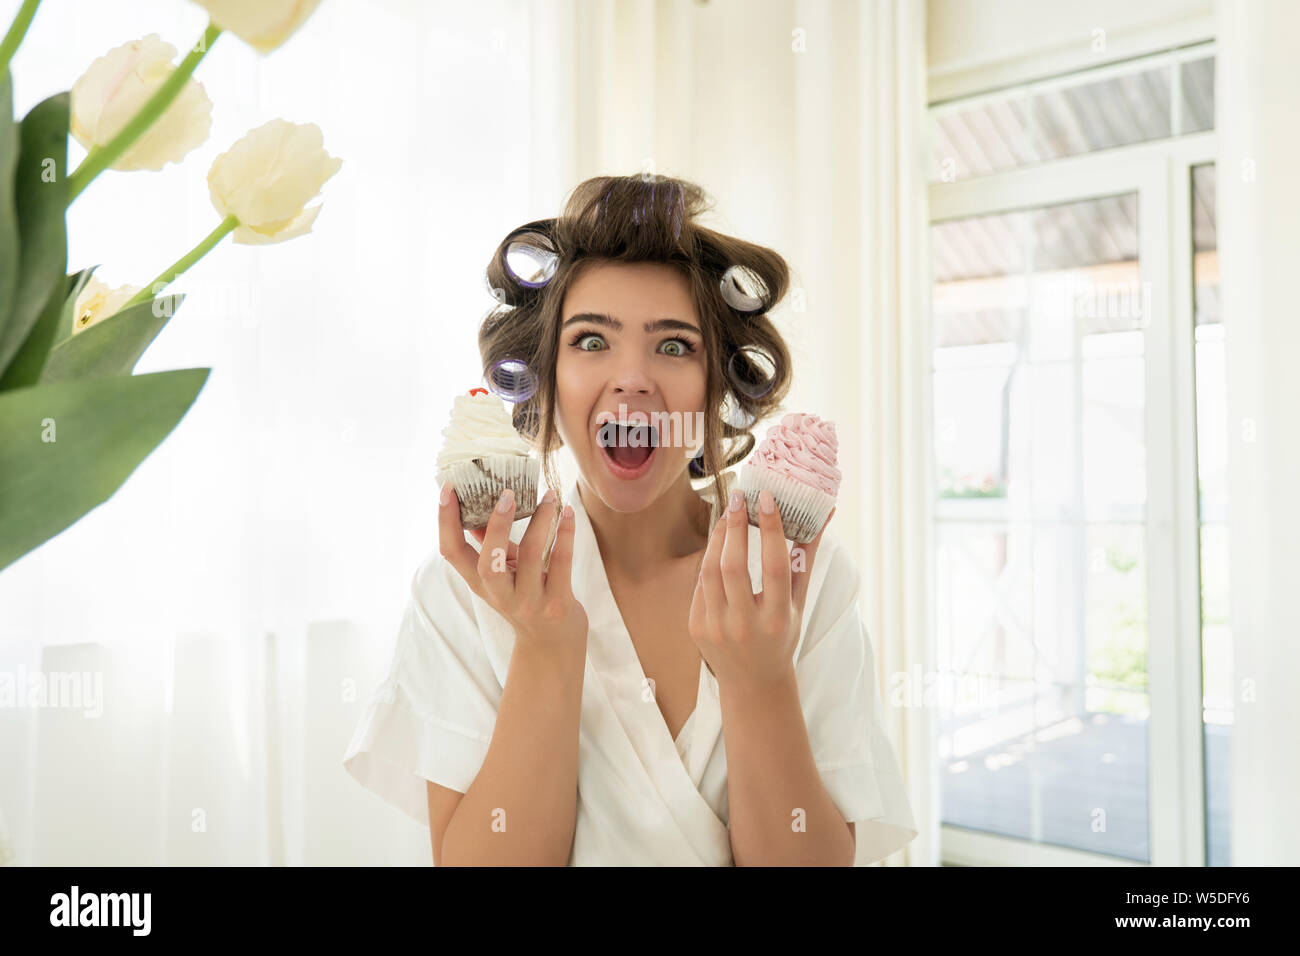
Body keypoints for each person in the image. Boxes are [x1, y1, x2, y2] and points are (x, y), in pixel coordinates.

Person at [342, 174, 918, 865]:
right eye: (590, 342)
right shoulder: (468, 588)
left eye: (674, 346)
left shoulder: (797, 576)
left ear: (717, 387)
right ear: (546, 379)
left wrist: (760, 680)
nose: (633, 378)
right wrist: (546, 651)